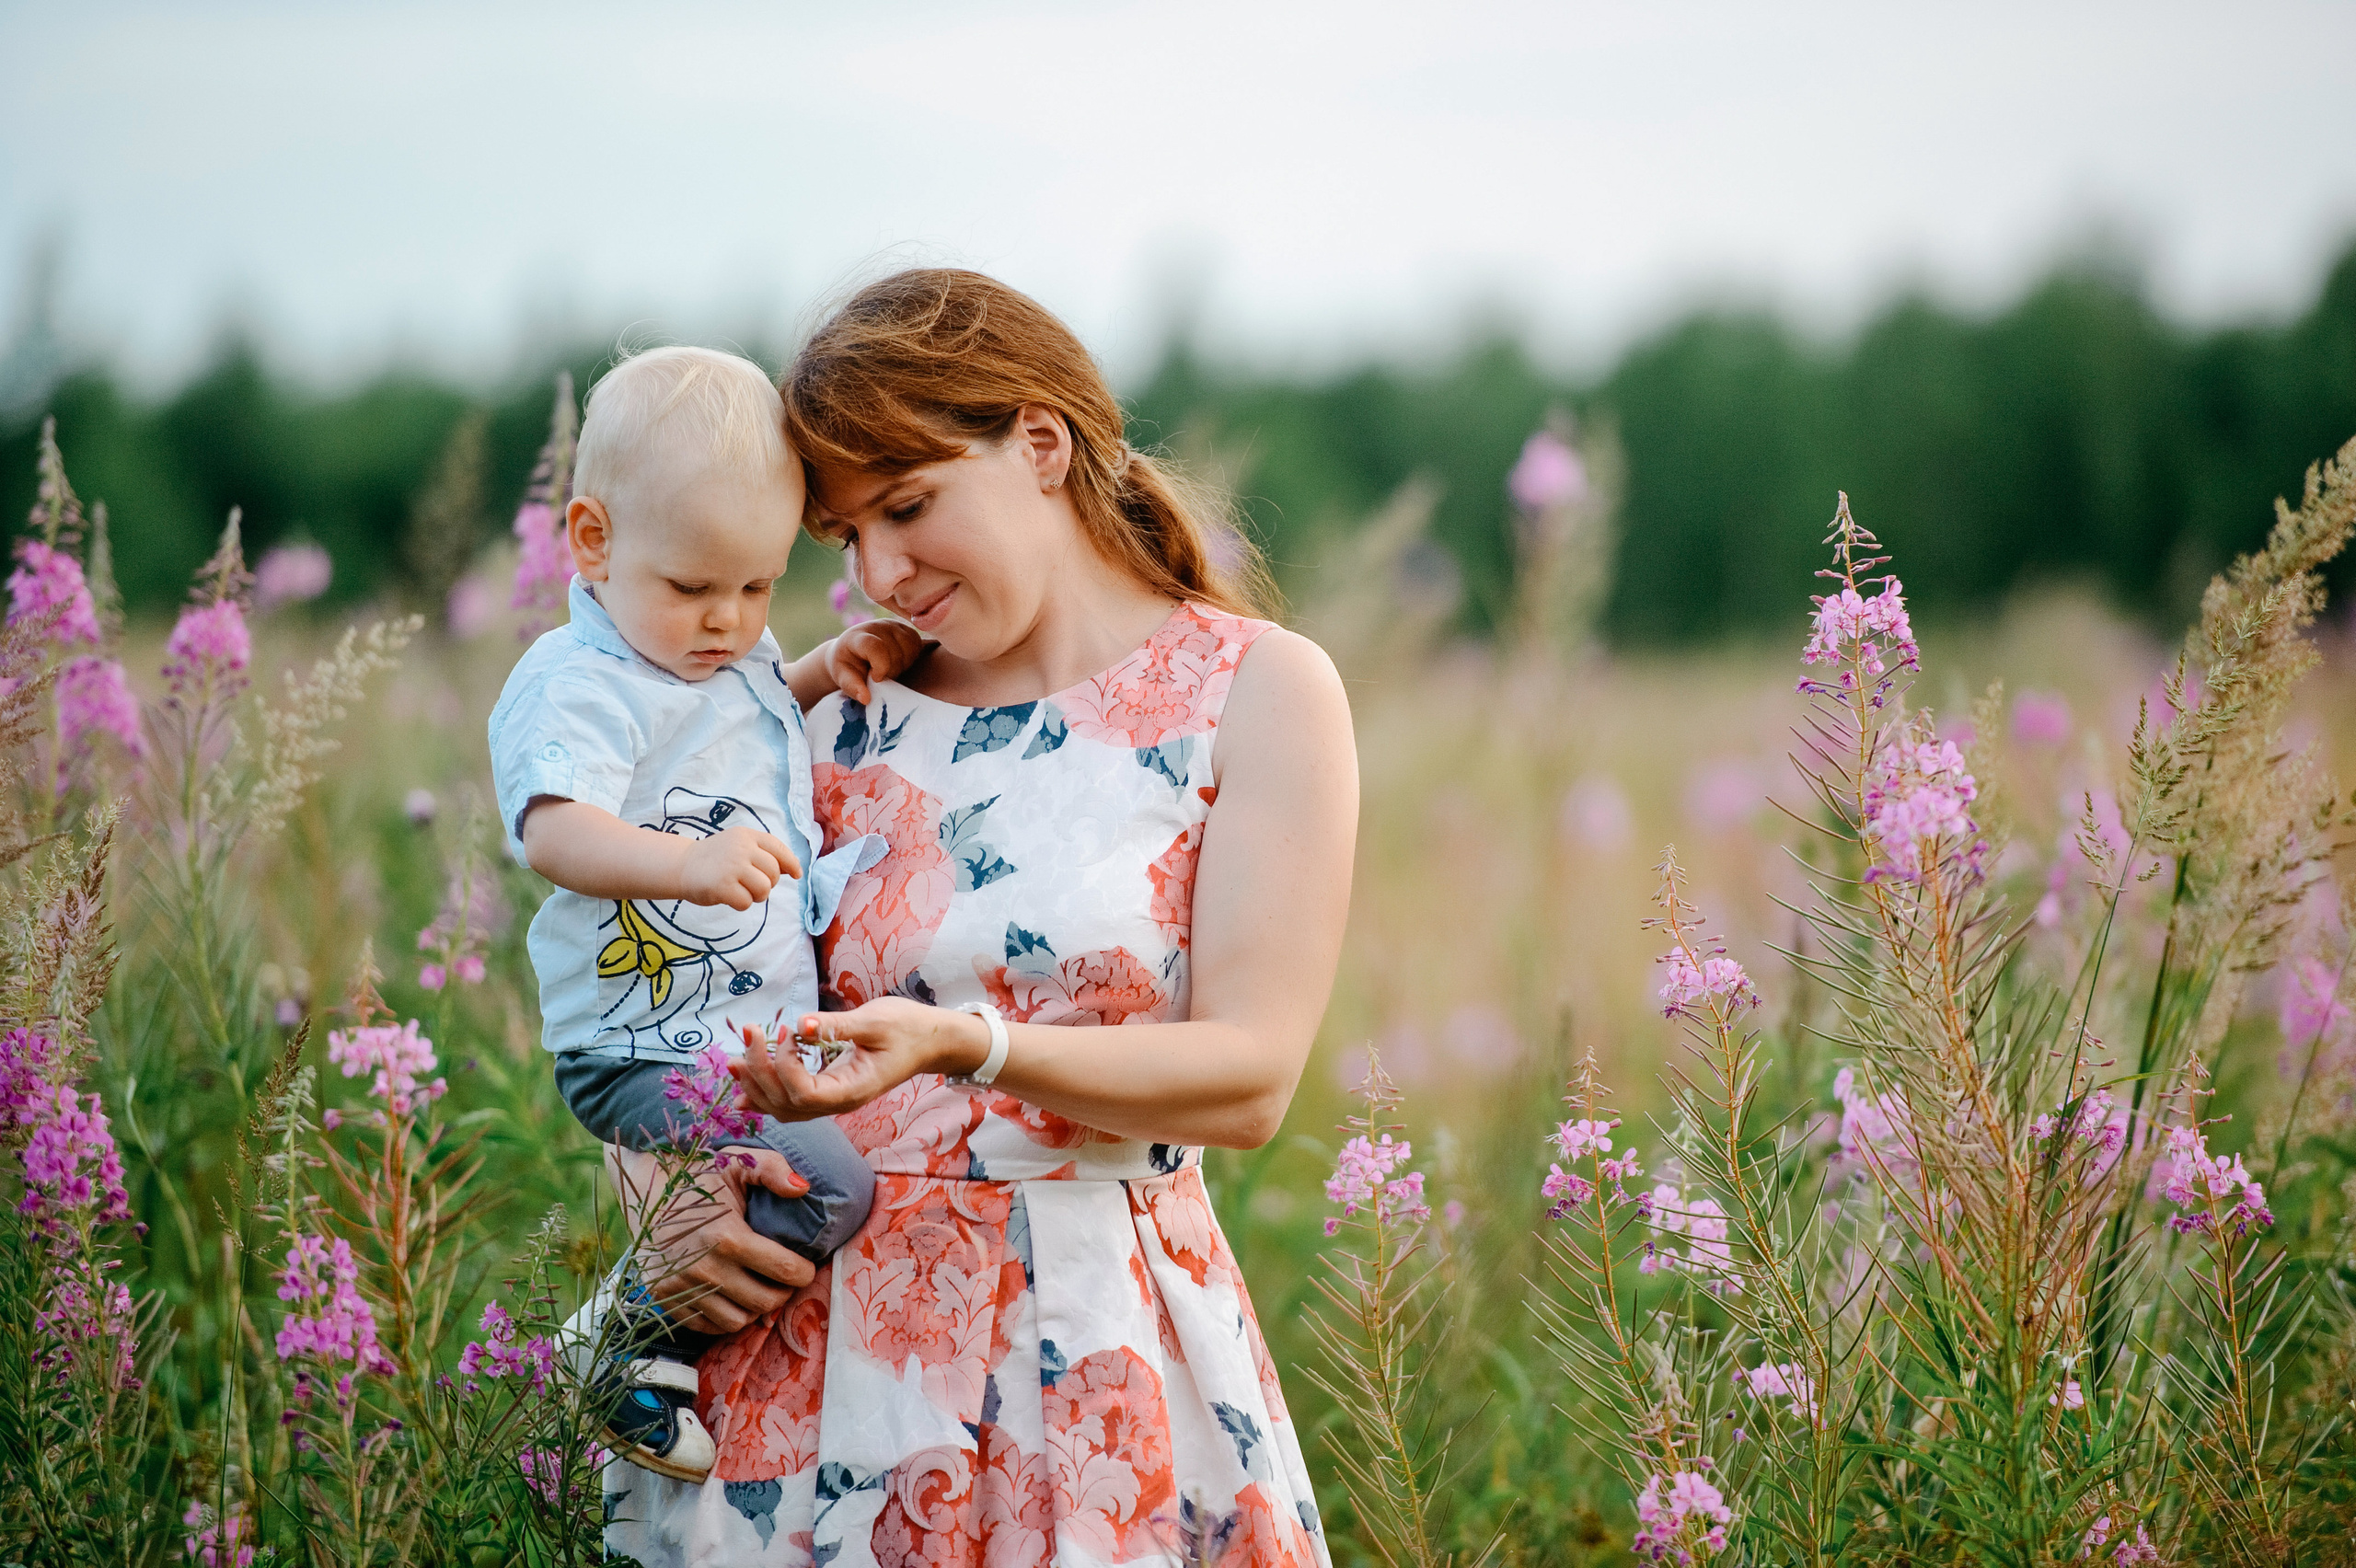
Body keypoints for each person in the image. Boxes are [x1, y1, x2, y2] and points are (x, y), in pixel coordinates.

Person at [604, 273, 1359, 1568]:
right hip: (804, 1372)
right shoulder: (827, 717)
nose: (882, 571)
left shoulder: (1256, 691)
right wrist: (666, 1211)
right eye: (845, 537)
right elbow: (652, 1001)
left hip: (1098, 1357)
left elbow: (1249, 1079)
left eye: (907, 506)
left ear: (1041, 444)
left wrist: (975, 1048)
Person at [488, 345, 924, 1482]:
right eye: (693, 588)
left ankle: (650, 1344)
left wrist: (831, 662)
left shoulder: (716, 657)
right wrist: (684, 866)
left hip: (723, 1037)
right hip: (641, 1045)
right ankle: (626, 1341)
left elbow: (759, 703)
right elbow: (554, 832)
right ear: (592, 541)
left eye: (757, 588)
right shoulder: (581, 683)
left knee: (798, 1181)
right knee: (831, 1186)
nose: (728, 620)